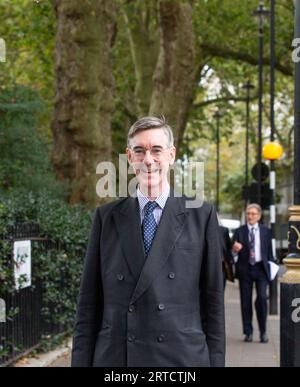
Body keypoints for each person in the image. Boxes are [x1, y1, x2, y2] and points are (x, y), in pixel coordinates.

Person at [71, 116, 225, 367]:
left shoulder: (201, 215)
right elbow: (88, 303)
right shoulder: (106, 217)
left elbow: (213, 304)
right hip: (118, 360)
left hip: (181, 360)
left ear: (171, 155)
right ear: (129, 157)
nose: (149, 160)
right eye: (140, 151)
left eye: (156, 150)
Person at [232, 203, 274, 344]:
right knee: (245, 302)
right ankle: (248, 332)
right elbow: (231, 254)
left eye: (253, 214)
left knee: (262, 298)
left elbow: (269, 253)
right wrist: (234, 250)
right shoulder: (239, 231)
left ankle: (263, 332)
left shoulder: (266, 231)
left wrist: (271, 270)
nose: (250, 216)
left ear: (259, 216)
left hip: (261, 269)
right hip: (245, 270)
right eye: (248, 213)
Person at [218, 224, 235, 289]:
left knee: (220, 291)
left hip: (221, 266)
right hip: (203, 266)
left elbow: (229, 247)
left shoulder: (223, 230)